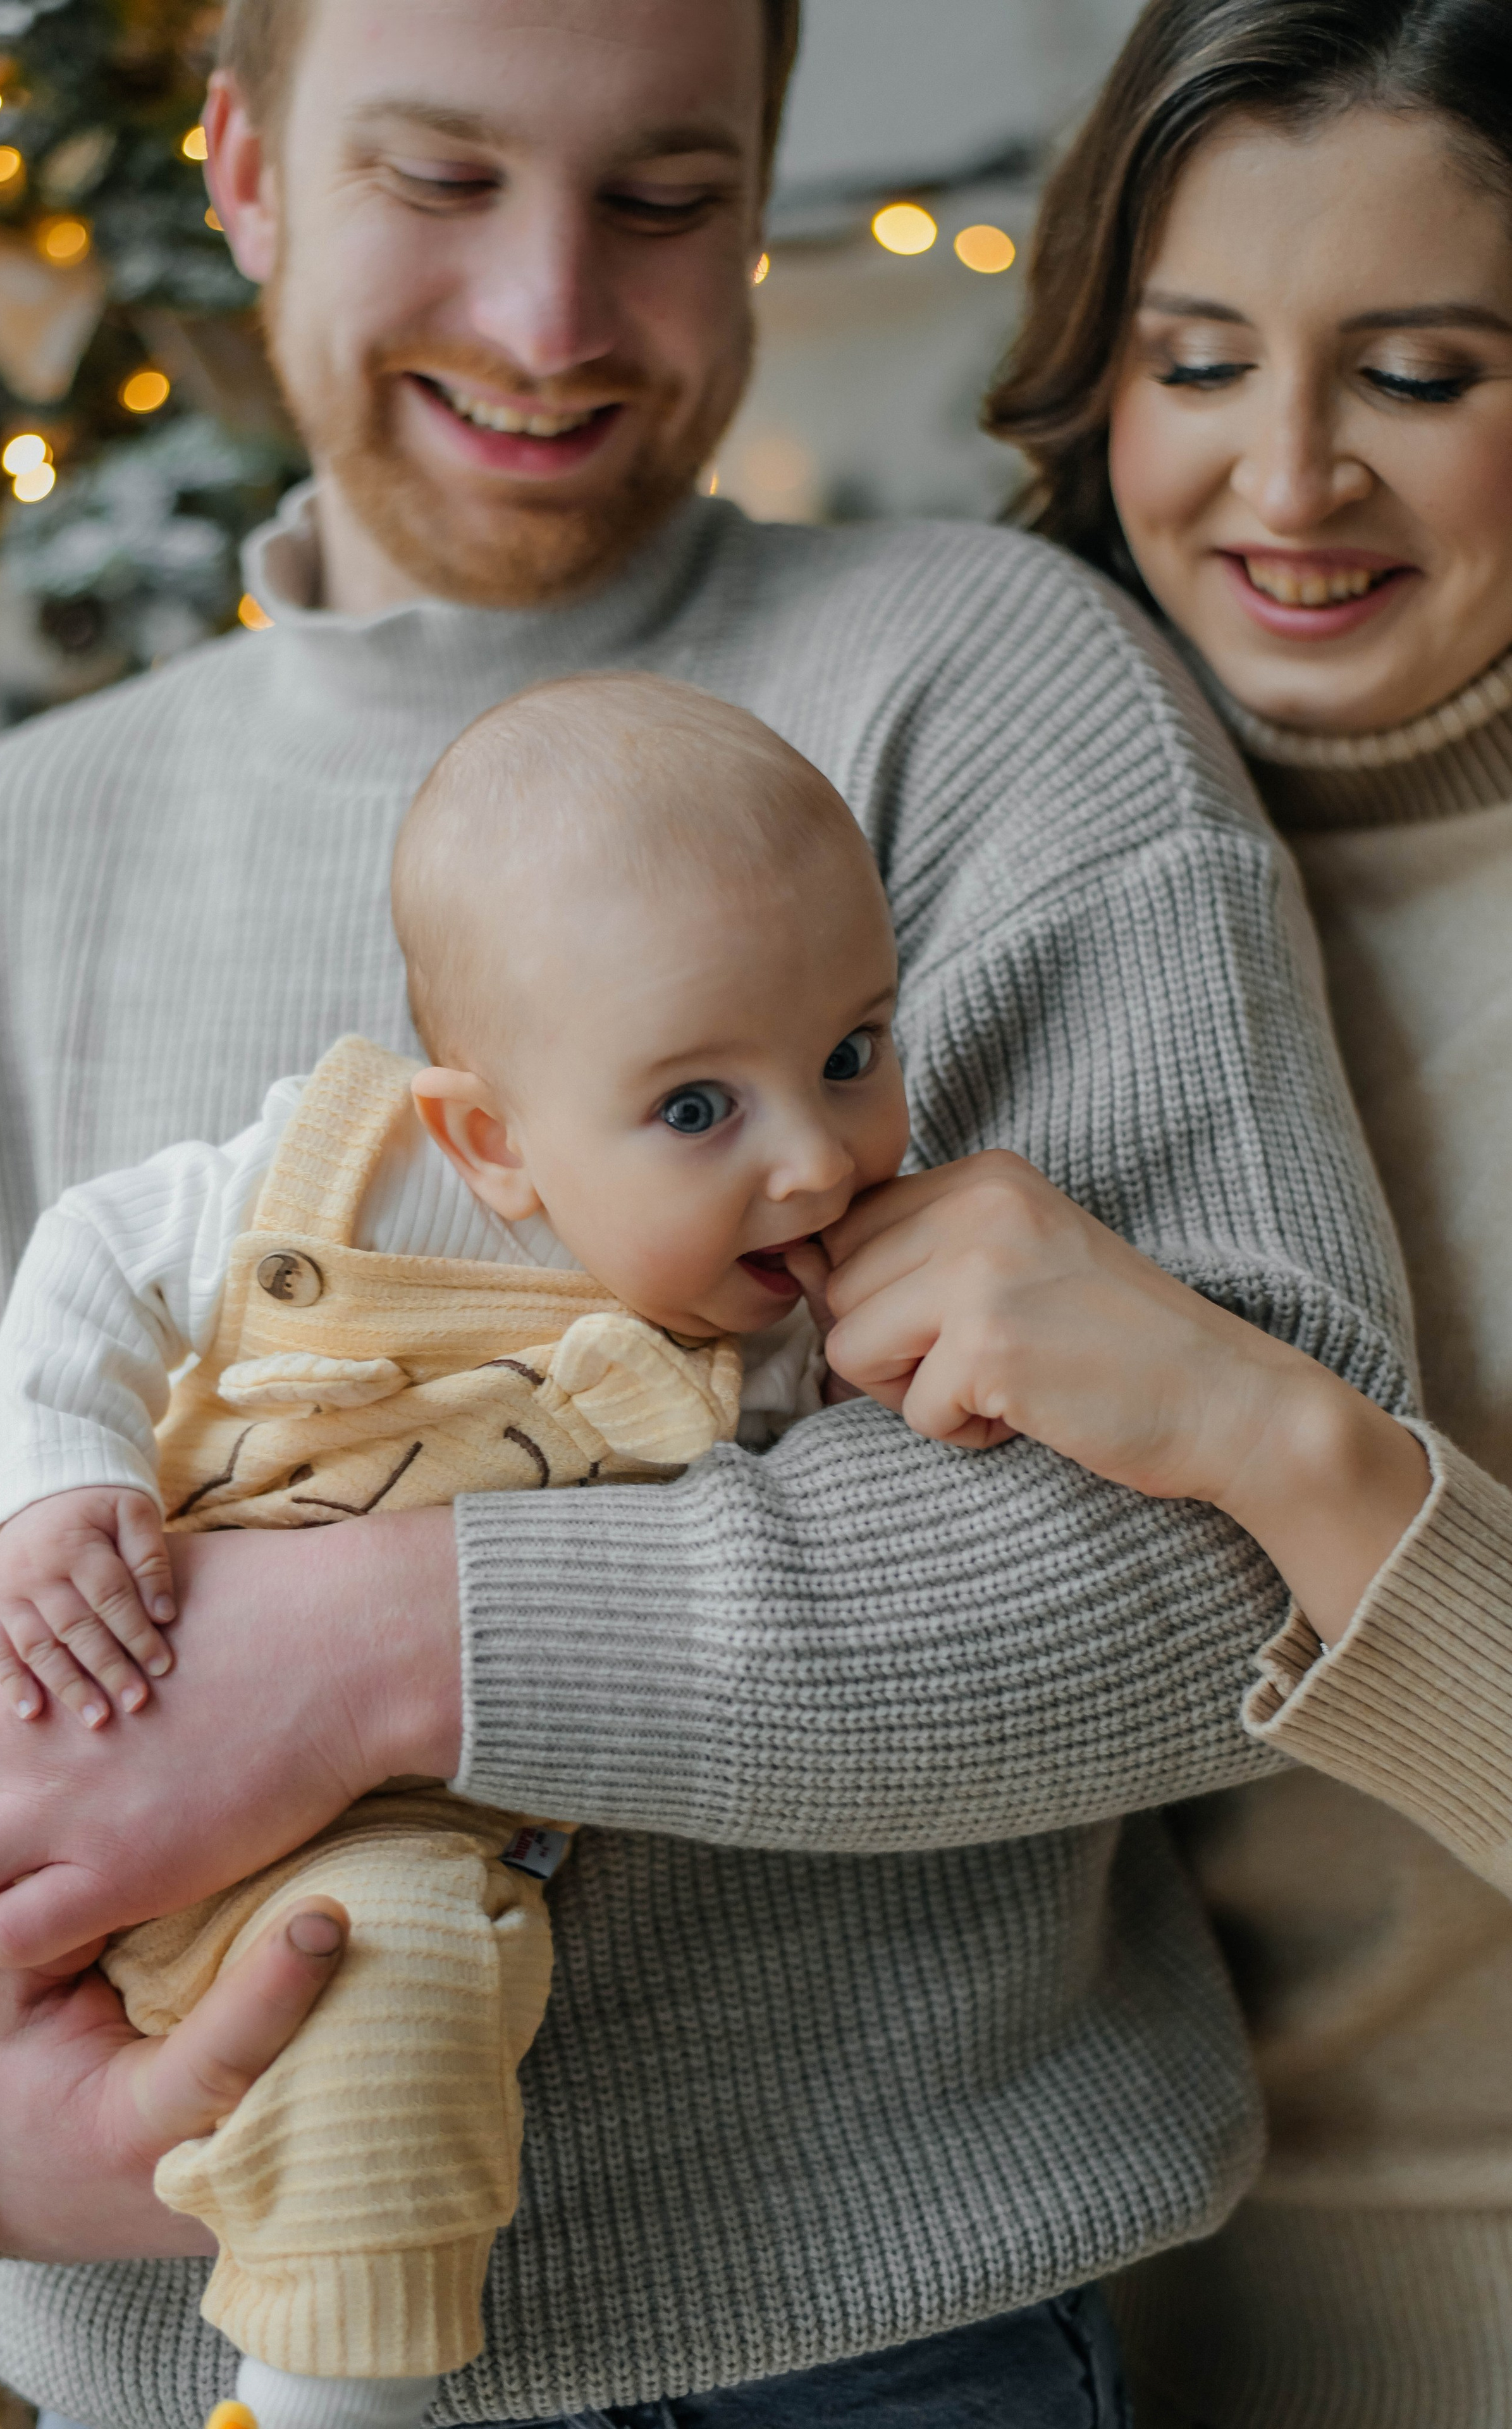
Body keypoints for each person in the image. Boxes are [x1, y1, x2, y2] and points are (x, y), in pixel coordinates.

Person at [0, 1, 1413, 2423]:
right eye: (437, 181)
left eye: (668, 200)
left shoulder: (987, 682)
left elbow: (1227, 1570)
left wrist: (392, 1647)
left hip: (875, 2345)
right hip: (145, 2347)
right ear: (245, 168)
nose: (548, 321)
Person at [0, 675, 899, 2429]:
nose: (817, 1160)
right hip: (110, 1665)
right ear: (488, 1140)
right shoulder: (338, 1179)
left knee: (398, 1989)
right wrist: (56, 1488)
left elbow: (859, 1548)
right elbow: (93, 1255)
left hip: (401, 1830)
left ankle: (316, 2403)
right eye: (696, 1109)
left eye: (852, 1052)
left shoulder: (818, 1287)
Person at [871, 0, 1512, 2420]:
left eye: (1426, 372)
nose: (1288, 476)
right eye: (1200, 360)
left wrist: (1279, 1436)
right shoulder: (926, 867)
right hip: (991, 2335)